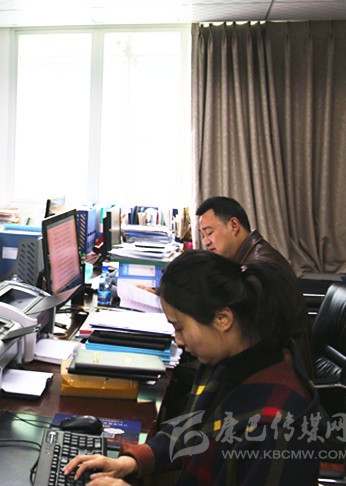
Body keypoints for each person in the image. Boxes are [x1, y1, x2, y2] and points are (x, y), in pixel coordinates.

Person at [64, 251, 323, 486]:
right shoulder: (228, 362)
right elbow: (192, 432)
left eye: (180, 327)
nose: (177, 340)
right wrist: (131, 462)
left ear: (223, 319)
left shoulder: (278, 426)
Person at [195, 196, 312, 372]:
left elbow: (248, 332)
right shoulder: (245, 259)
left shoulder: (260, 268)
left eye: (209, 232)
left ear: (234, 225)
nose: (206, 242)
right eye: (203, 235)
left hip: (282, 370)